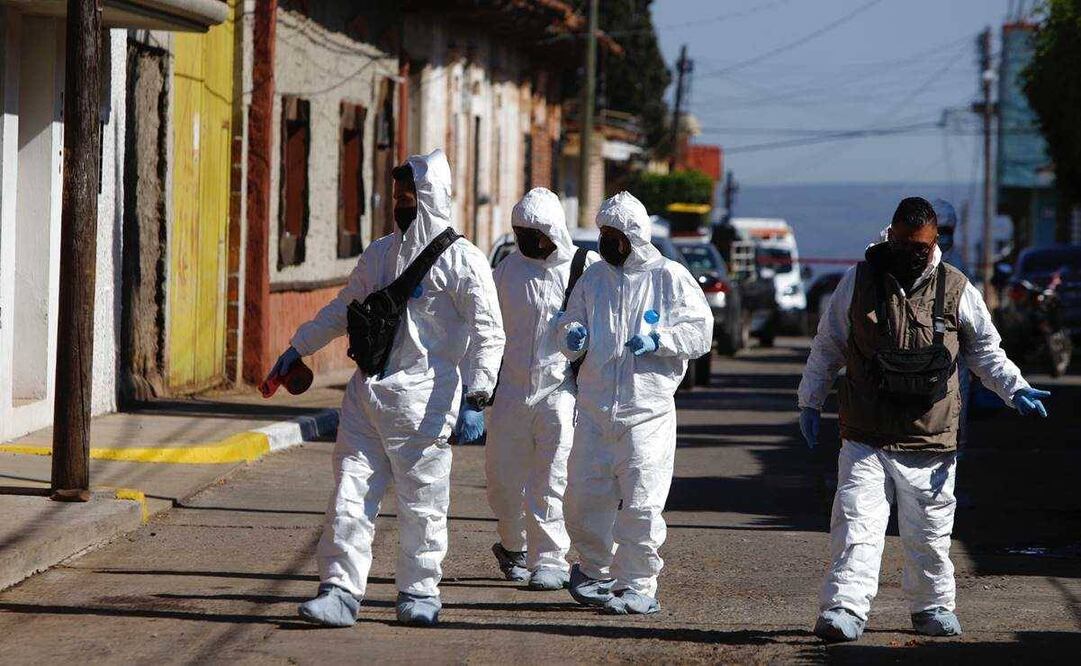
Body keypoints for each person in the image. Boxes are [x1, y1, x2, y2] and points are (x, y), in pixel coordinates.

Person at [265, 149, 505, 628]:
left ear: (431, 197)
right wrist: (298, 348)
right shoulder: (379, 254)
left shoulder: (462, 261)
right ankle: (339, 590)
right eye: (396, 196)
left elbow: (488, 330)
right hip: (366, 398)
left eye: (409, 196)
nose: (401, 204)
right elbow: (342, 309)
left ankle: (419, 592)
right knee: (349, 497)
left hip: (426, 404)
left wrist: (477, 395)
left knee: (422, 505)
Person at [798, 197, 1050, 642]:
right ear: (890, 234)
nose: (911, 252)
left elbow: (986, 352)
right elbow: (828, 343)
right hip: (865, 434)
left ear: (934, 242)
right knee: (857, 525)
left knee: (930, 533)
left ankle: (932, 606)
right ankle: (844, 608)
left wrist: (1016, 388)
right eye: (903, 242)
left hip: (931, 439)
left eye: (921, 245)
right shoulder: (857, 283)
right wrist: (809, 399)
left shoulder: (956, 288)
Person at [559, 192, 713, 616]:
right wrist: (572, 336)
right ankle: (594, 571)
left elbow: (700, 334)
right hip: (593, 409)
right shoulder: (593, 278)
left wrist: (660, 340)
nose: (606, 241)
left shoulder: (670, 277)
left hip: (647, 412)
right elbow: (570, 320)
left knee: (643, 502)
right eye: (603, 233)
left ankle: (639, 584)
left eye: (613, 234)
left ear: (633, 236)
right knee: (584, 498)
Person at [486, 187, 599, 590]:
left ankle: (549, 559)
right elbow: (482, 329)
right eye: (522, 232)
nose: (529, 241)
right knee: (502, 480)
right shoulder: (505, 272)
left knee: (551, 478)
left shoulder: (584, 269)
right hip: (510, 391)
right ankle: (513, 547)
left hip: (558, 390)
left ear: (553, 231)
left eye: (536, 232)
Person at [931, 199, 971, 448]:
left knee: (958, 398)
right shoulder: (913, 263)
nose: (944, 237)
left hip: (954, 347)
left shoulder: (958, 266)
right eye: (939, 231)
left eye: (947, 231)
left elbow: (973, 318)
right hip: (922, 348)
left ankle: (955, 447)